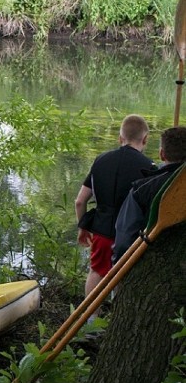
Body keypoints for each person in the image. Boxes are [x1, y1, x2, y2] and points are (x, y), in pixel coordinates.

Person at [75, 114, 155, 298]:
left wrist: (83, 226)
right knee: (124, 273)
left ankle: (91, 321)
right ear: (145, 139)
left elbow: (80, 201)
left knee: (96, 271)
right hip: (132, 233)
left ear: (120, 138)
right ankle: (117, 316)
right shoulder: (149, 167)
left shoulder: (101, 160)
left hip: (102, 229)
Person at [113, 126, 186, 262]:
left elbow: (124, 240)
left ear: (162, 154)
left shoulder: (142, 190)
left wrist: (117, 262)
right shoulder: (142, 189)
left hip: (148, 263)